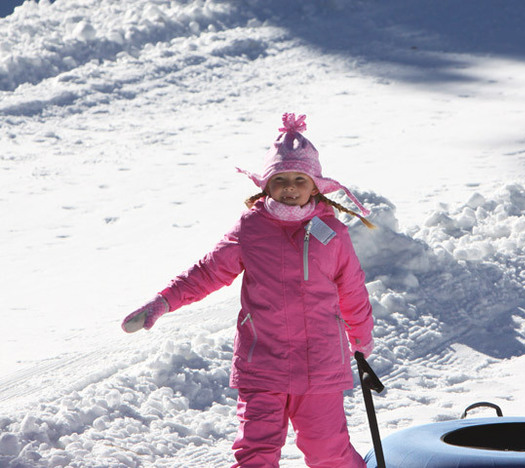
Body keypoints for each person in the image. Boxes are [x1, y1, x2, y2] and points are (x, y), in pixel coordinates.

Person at [121, 113, 375, 468]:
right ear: (265, 186)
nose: (289, 187)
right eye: (280, 179)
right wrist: (164, 302)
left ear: (315, 186)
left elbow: (352, 290)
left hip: (319, 366)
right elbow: (208, 271)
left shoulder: (332, 234)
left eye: (299, 179)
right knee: (255, 455)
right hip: (263, 363)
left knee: (328, 452)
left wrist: (360, 338)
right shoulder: (251, 228)